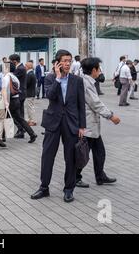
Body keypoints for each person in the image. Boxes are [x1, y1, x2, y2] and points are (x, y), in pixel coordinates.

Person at [31, 49, 86, 203]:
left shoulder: (77, 80)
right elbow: (50, 96)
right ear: (57, 63)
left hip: (71, 124)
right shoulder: (49, 78)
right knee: (47, 156)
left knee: (71, 158)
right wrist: (58, 77)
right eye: (65, 61)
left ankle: (69, 189)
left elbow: (81, 105)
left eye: (70, 61)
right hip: (53, 123)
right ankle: (44, 187)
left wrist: (82, 126)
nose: (68, 63)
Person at [75, 57, 119, 188]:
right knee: (83, 153)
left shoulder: (88, 81)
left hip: (91, 125)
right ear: (93, 70)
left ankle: (100, 176)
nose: (100, 71)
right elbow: (95, 103)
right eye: (99, 69)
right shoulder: (85, 83)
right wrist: (110, 116)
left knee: (99, 152)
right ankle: (76, 177)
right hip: (87, 125)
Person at [2, 61, 37, 144]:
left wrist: (5, 101)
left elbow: (5, 90)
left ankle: (1, 137)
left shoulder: (6, 77)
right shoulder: (14, 77)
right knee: (20, 119)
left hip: (10, 101)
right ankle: (32, 134)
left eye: (5, 67)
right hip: (16, 100)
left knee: (5, 118)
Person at [9, 54, 27, 138]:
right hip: (21, 93)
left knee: (15, 114)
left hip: (19, 95)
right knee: (19, 114)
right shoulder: (21, 68)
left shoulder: (20, 69)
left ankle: (21, 130)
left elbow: (11, 78)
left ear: (14, 61)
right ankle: (21, 130)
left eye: (10, 62)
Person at [25, 61, 37, 126]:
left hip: (29, 93)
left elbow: (26, 84)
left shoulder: (29, 74)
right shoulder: (31, 73)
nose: (25, 67)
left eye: (26, 66)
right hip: (31, 93)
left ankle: (32, 120)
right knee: (30, 107)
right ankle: (30, 120)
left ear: (29, 66)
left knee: (30, 108)